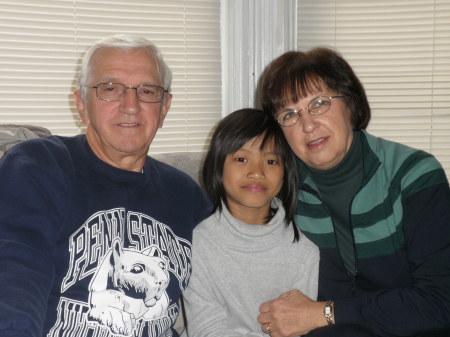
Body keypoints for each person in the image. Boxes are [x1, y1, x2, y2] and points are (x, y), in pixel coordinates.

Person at [0, 34, 212, 337]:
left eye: (147, 91)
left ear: (164, 108)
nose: (130, 105)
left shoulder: (186, 194)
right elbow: (15, 271)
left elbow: (230, 277)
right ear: (82, 105)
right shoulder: (38, 166)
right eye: (110, 89)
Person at [256, 47, 450, 337]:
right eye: (289, 114)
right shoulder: (277, 192)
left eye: (320, 103)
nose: (308, 125)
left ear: (350, 102)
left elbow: (439, 304)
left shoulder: (414, 176)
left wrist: (324, 313)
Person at [182, 108, 320, 337]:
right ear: (218, 167)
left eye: (271, 161)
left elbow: (296, 328)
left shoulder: (304, 252)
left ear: (286, 173)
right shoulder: (198, 243)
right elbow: (205, 330)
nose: (256, 172)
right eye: (241, 159)